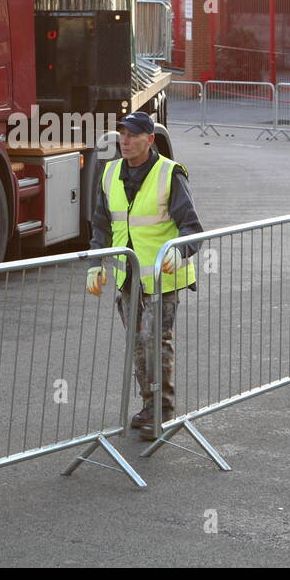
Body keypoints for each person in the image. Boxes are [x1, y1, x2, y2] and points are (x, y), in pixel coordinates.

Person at [85, 111, 202, 440]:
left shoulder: (170, 174)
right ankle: (150, 404)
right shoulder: (109, 173)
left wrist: (180, 251)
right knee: (139, 345)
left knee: (154, 342)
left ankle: (161, 410)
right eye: (121, 133)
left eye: (133, 135)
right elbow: (100, 225)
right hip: (128, 282)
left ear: (150, 140)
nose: (125, 140)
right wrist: (95, 263)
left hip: (162, 280)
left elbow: (192, 227)